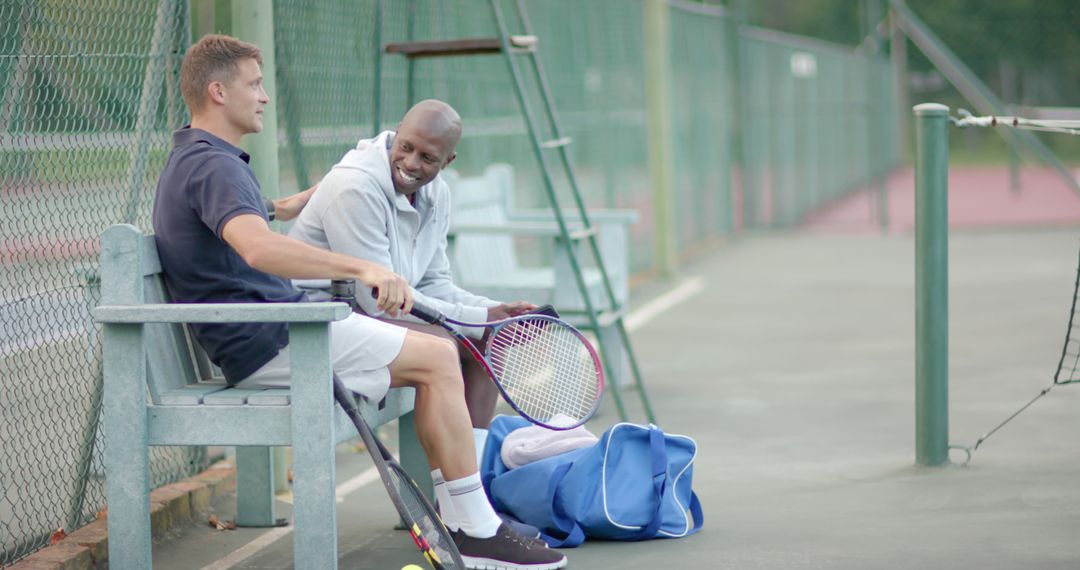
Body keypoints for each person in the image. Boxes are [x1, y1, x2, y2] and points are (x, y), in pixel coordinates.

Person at [151, 34, 565, 570]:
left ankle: (469, 518)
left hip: (278, 328)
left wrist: (285, 204)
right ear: (217, 92)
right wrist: (361, 266)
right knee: (439, 356)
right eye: (254, 84)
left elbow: (241, 217)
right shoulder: (215, 165)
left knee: (447, 352)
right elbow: (254, 247)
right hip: (272, 341)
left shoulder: (202, 158)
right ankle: (473, 530)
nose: (263, 96)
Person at [288, 100, 538, 463]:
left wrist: (488, 313)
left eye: (427, 157)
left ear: (447, 162)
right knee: (446, 346)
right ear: (396, 134)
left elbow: (434, 281)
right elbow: (380, 301)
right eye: (405, 147)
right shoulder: (354, 187)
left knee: (486, 341)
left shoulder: (437, 194)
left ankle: (472, 481)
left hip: (364, 317)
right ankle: (460, 494)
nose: (410, 163)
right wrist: (477, 320)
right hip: (314, 329)